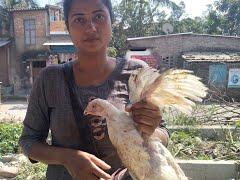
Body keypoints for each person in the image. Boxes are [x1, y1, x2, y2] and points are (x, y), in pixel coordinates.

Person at [19, 0, 169, 179]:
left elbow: (164, 135)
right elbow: (28, 141)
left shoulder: (137, 74)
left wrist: (151, 129)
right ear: (68, 27)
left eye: (99, 17)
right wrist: (69, 158)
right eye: (79, 20)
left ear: (111, 21)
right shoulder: (50, 79)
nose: (91, 27)